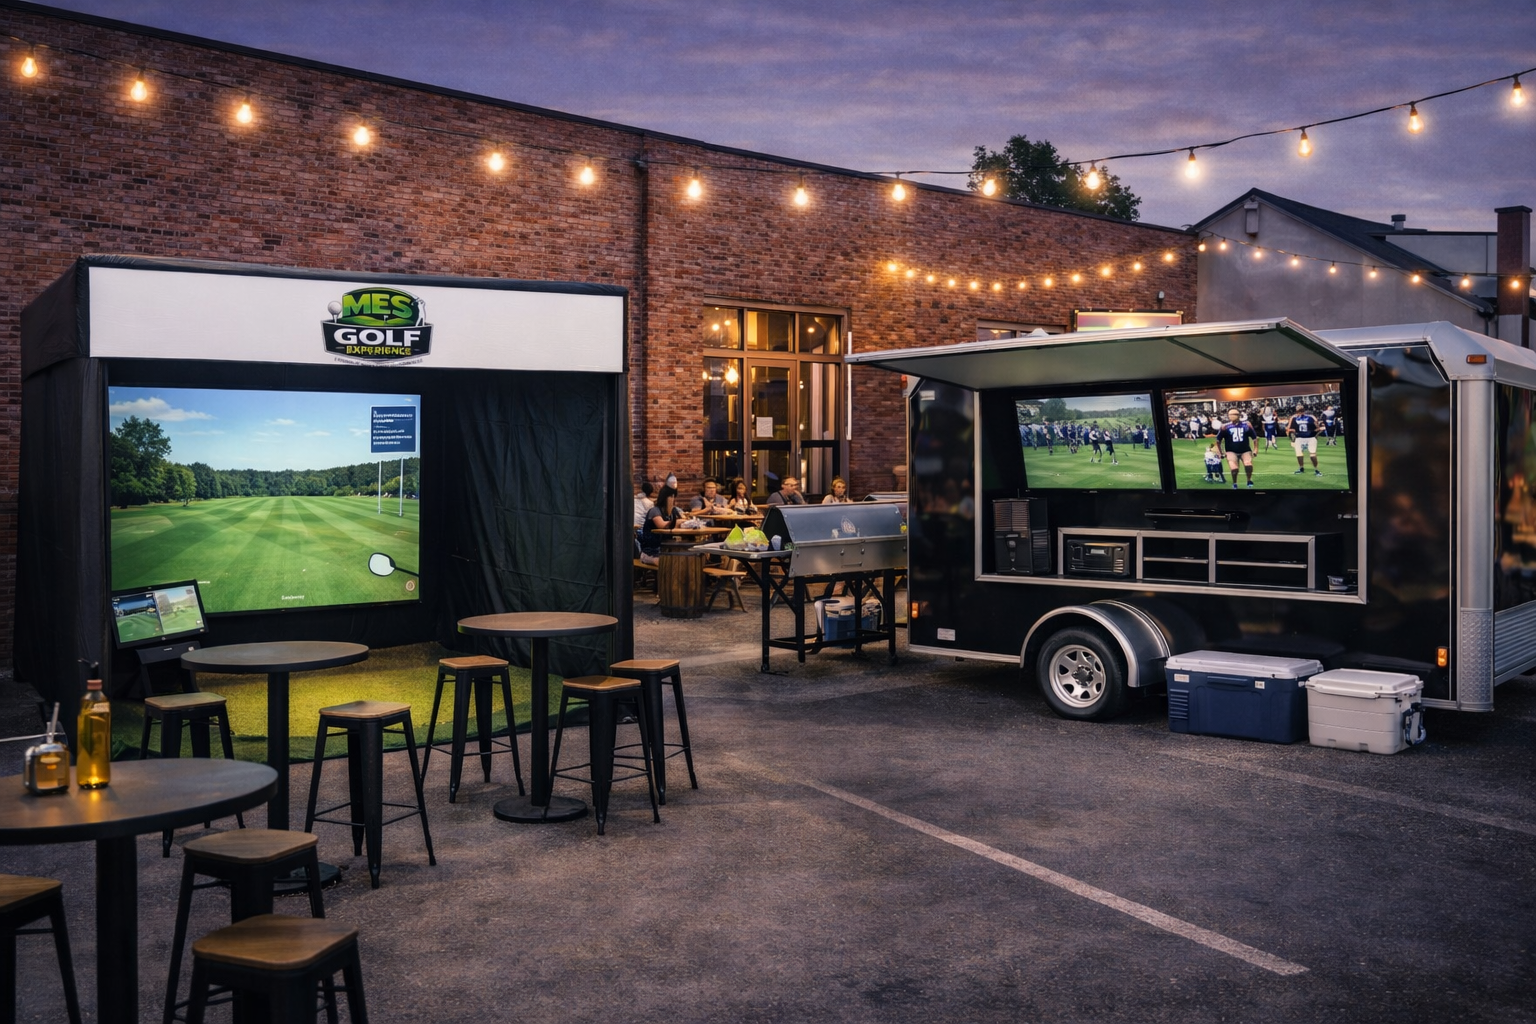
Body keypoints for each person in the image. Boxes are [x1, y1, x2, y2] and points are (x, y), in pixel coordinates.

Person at [639, 485, 683, 563]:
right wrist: (678, 522)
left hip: (667, 547)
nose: (673, 500)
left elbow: (683, 519)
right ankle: (646, 558)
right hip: (652, 549)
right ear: (664, 498)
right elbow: (662, 525)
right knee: (666, 562)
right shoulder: (655, 510)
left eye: (673, 497)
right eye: (671, 497)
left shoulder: (674, 511)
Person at [1216, 407, 1256, 489]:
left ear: (1238, 415)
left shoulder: (1246, 425)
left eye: (1234, 414)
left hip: (1245, 450)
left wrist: (1255, 449)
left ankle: (1249, 480)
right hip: (1231, 451)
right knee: (1234, 469)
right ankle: (1235, 483)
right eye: (1230, 414)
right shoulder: (1225, 427)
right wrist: (1220, 452)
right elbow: (1218, 440)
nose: (1232, 416)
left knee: (1248, 465)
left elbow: (1254, 438)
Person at [1288, 404, 1322, 475]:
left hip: (1306, 437)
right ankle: (1306, 468)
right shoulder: (1310, 417)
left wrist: (1293, 433)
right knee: (1300, 454)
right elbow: (1318, 428)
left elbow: (1289, 428)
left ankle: (1315, 470)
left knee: (1310, 454)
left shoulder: (1295, 417)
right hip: (1304, 437)